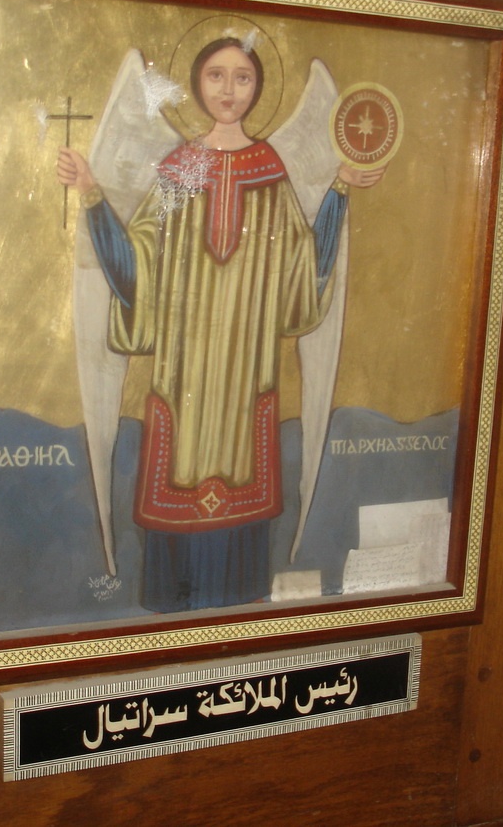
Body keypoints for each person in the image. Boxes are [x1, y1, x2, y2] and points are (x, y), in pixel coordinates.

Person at [58, 37, 384, 612]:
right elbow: (137, 268)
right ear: (197, 83)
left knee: (241, 564)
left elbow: (302, 273)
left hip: (244, 382)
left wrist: (337, 191)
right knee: (175, 520)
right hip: (183, 381)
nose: (228, 90)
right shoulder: (180, 171)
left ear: (258, 88)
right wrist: (91, 195)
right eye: (215, 75)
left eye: (242, 77)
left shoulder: (271, 175)